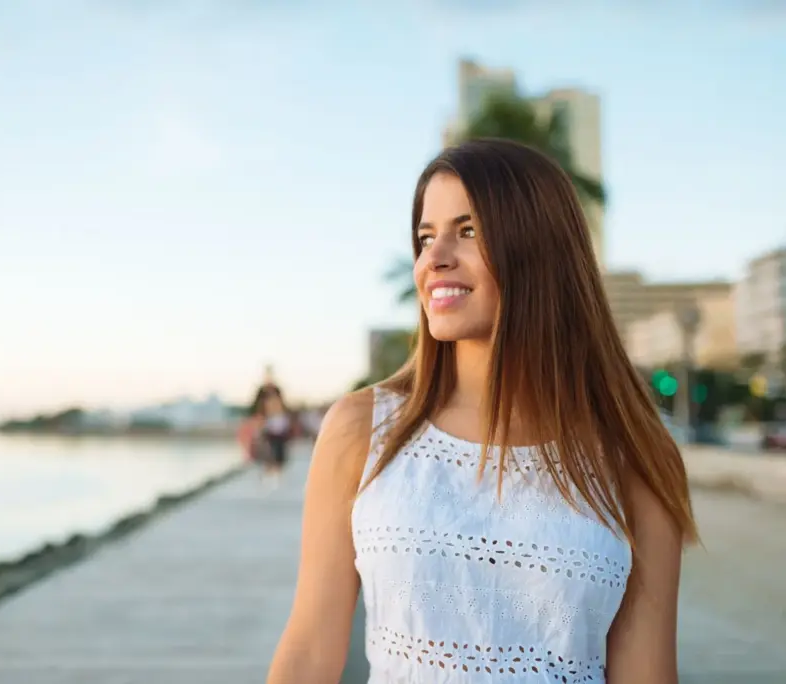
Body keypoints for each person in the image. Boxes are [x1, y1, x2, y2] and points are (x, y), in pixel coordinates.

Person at [266, 139, 697, 683]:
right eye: (426, 237)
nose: (434, 258)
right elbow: (308, 652)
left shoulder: (635, 457)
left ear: (539, 249)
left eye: (467, 231)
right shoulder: (362, 430)